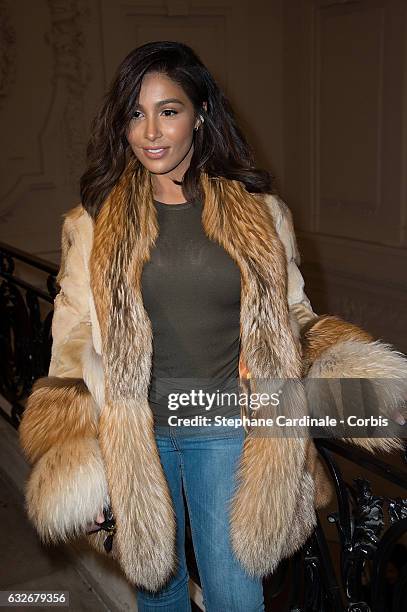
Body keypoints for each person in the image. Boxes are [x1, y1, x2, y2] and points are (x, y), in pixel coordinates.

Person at [18, 41, 407, 612]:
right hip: (134, 433)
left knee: (233, 593)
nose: (150, 131)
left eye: (168, 111)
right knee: (159, 590)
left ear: (199, 116)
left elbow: (293, 315)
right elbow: (71, 346)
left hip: (222, 421)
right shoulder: (93, 224)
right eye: (135, 113)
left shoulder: (261, 213)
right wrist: (80, 460)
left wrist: (352, 380)